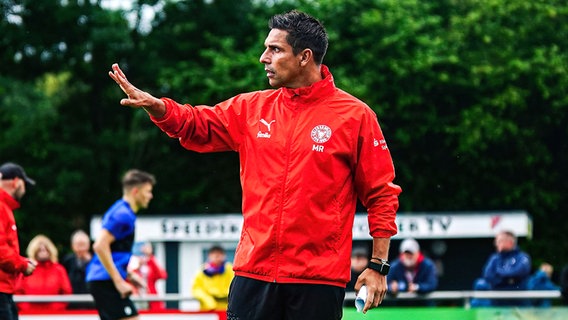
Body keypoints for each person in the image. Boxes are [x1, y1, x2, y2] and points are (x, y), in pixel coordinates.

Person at [108, 10, 401, 319]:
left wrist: (377, 265)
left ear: (305, 57)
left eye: (275, 49)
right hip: (253, 275)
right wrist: (158, 107)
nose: (264, 57)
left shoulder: (355, 116)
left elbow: (382, 194)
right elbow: (196, 123)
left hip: (316, 280)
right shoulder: (251, 108)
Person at [86, 169, 156, 320]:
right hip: (105, 281)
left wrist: (129, 275)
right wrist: (119, 281)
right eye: (148, 191)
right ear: (136, 191)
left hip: (103, 280)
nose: (151, 196)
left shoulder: (122, 210)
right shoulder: (123, 215)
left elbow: (113, 249)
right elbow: (100, 246)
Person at [0, 162, 37, 320]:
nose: (25, 189)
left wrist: (22, 261)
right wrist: (23, 265)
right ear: (16, 182)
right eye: (24, 184)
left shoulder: (5, 208)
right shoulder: (1, 208)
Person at [472, 230, 532, 307]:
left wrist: (499, 275)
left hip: (519, 303)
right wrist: (509, 280)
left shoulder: (522, 257)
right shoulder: (494, 258)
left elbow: (520, 272)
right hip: (497, 303)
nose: (496, 244)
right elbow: (487, 275)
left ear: (510, 242)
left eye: (499, 241)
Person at [15, 234, 73, 312]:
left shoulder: (59, 270)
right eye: (39, 250)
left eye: (45, 249)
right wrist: (27, 309)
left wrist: (55, 309)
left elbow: (67, 292)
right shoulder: (27, 269)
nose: (43, 252)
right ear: (34, 251)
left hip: (54, 315)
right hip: (30, 315)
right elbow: (18, 292)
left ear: (50, 251)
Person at [191, 245, 234, 311]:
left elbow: (235, 287)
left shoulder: (230, 269)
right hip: (208, 310)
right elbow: (196, 289)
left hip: (227, 309)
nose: (218, 258)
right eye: (215, 256)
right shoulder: (202, 271)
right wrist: (207, 300)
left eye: (220, 255)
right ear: (209, 256)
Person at [127, 241, 168, 311]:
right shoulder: (132, 271)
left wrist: (150, 257)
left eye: (144, 256)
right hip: (137, 303)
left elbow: (162, 275)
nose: (142, 258)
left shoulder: (150, 267)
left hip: (151, 303)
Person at [61, 229, 95, 309]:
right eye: (78, 244)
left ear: (88, 245)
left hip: (91, 304)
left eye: (83, 244)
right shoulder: (67, 261)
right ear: (72, 246)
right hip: (72, 305)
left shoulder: (95, 261)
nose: (81, 248)